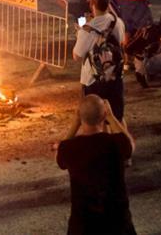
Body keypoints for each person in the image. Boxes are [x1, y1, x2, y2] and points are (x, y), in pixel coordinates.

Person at [57, 95, 136, 235]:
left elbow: (60, 155)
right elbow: (130, 145)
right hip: (117, 222)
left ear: (79, 116)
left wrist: (76, 123)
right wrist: (111, 117)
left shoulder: (69, 148)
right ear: (104, 115)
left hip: (83, 225)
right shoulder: (114, 143)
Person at [72, 0, 126, 120]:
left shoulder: (87, 30)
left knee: (95, 120)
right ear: (108, 3)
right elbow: (121, 43)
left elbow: (77, 56)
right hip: (115, 77)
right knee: (116, 118)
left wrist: (79, 34)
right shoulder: (118, 22)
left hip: (93, 81)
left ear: (92, 3)